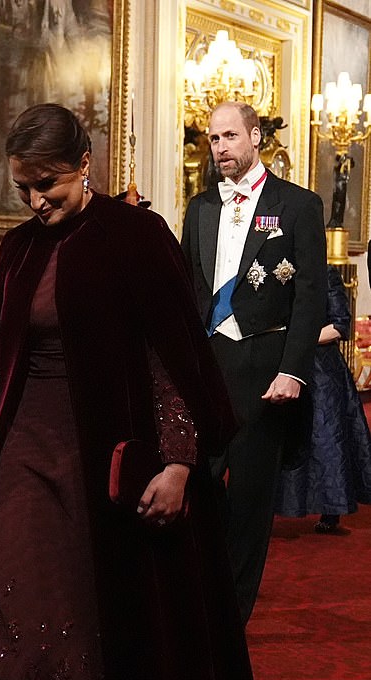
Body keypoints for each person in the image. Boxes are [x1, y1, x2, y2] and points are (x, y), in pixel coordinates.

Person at [0, 103, 274, 680]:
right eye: (23, 186)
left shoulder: (138, 238)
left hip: (105, 462)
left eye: (47, 183)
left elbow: (174, 359)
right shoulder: (20, 247)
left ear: (86, 165)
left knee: (79, 627)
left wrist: (179, 461)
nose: (35, 200)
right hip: (26, 448)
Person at [181, 101, 328, 624]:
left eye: (229, 136)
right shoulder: (200, 208)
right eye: (213, 139)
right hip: (209, 365)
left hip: (265, 369)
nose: (220, 147)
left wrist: (293, 370)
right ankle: (199, 598)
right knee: (197, 487)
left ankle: (230, 620)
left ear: (255, 136)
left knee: (247, 501)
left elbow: (311, 296)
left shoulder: (297, 206)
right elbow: (190, 291)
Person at [276, 265, 371, 531]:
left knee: (328, 440)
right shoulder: (278, 271)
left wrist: (299, 340)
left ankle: (331, 511)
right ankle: (275, 507)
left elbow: (340, 326)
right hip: (279, 365)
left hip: (322, 370)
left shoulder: (325, 273)